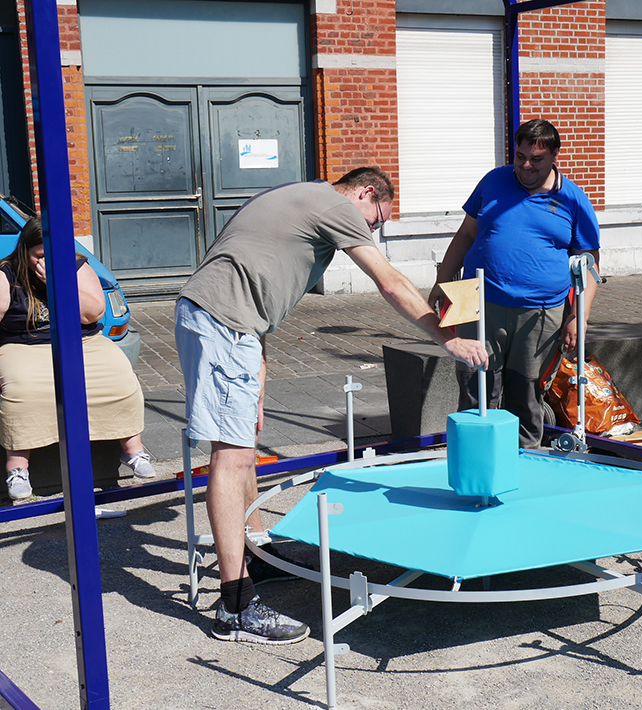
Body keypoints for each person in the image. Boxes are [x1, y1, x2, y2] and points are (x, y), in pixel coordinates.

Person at [175, 167, 488, 645]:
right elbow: (389, 281)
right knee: (230, 456)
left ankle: (254, 554)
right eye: (377, 221)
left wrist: (259, 374)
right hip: (224, 325)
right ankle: (235, 605)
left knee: (243, 445)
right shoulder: (337, 206)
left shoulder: (299, 197)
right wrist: (447, 339)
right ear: (366, 193)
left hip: (227, 323)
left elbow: (252, 278)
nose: (371, 231)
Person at [429, 119, 601, 448]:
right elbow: (466, 234)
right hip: (475, 299)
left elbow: (589, 267)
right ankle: (473, 456)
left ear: (555, 157)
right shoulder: (493, 181)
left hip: (541, 311)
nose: (525, 166)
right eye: (520, 156)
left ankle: (525, 456)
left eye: (536, 159)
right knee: (475, 386)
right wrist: (442, 281)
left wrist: (578, 317)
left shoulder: (574, 199)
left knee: (527, 392)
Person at [1, 217, 156, 502]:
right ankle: (18, 468)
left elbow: (92, 313)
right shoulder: (7, 272)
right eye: (39, 255)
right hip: (23, 343)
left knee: (119, 376)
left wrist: (57, 284)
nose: (44, 262)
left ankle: (133, 450)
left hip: (82, 341)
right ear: (25, 250)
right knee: (23, 389)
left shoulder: (77, 267)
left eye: (51, 255)